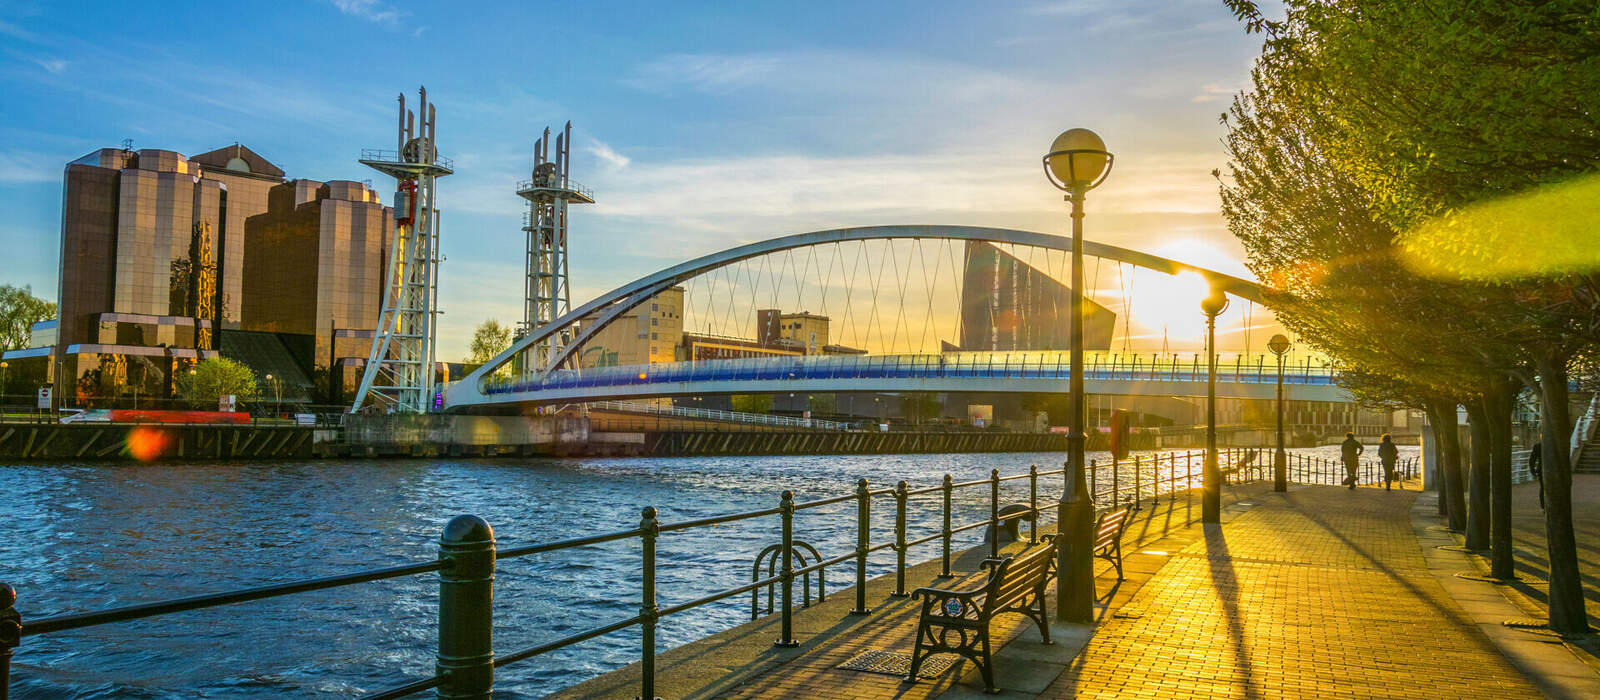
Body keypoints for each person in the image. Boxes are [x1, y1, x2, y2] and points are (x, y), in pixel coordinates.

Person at [1530, 438, 1545, 509]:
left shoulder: (1538, 446)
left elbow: (1532, 460)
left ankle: (1543, 507)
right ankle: (1544, 506)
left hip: (1541, 470)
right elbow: (1532, 460)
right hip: (1544, 470)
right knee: (1543, 488)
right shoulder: (1538, 446)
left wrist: (1533, 471)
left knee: (1543, 488)